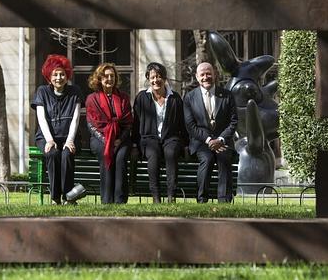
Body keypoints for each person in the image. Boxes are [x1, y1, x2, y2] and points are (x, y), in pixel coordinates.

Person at [31, 54, 84, 205]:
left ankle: (69, 197)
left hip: (69, 137)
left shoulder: (75, 91)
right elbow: (41, 118)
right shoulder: (42, 91)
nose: (59, 77)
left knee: (67, 154)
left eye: (62, 74)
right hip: (47, 137)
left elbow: (75, 118)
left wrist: (70, 140)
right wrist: (49, 140)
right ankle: (55, 198)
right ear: (49, 76)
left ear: (67, 75)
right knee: (53, 154)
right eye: (55, 74)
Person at [132, 62, 187, 203]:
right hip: (149, 138)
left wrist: (185, 143)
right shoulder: (141, 98)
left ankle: (171, 195)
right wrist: (134, 144)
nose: (156, 80)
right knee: (154, 155)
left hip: (171, 137)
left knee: (170, 153)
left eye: (159, 77)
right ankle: (156, 197)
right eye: (152, 77)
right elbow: (136, 123)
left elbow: (182, 123)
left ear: (164, 78)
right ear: (148, 79)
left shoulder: (175, 98)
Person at [183, 62, 238, 203]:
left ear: (215, 75)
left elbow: (233, 122)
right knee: (207, 160)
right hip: (201, 142)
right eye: (202, 74)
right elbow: (190, 126)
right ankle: (202, 199)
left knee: (224, 158)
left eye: (208, 73)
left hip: (222, 141)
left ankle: (224, 200)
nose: (205, 77)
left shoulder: (227, 95)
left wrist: (220, 139)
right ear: (196, 77)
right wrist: (208, 140)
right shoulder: (190, 97)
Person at [85, 63, 133, 204]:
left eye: (112, 76)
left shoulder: (123, 98)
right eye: (106, 76)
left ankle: (120, 200)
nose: (109, 79)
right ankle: (107, 200)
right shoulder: (92, 99)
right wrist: (106, 140)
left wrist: (119, 140)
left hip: (121, 138)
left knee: (120, 158)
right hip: (99, 138)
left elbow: (128, 123)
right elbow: (91, 124)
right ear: (99, 79)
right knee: (106, 155)